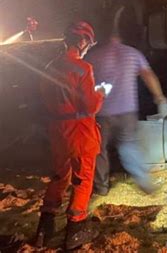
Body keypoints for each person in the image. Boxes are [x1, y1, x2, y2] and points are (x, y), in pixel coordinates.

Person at [35, 21, 105, 250]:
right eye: (88, 43)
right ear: (83, 41)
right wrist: (101, 93)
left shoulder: (49, 67)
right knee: (82, 179)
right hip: (81, 133)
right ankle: (75, 229)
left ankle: (44, 227)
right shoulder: (83, 69)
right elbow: (91, 105)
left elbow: (45, 101)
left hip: (57, 133)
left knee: (59, 177)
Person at [86, 29, 167, 196]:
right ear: (119, 37)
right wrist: (160, 98)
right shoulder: (132, 54)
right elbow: (148, 75)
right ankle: (143, 180)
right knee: (128, 145)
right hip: (127, 111)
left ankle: (101, 187)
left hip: (101, 112)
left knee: (99, 151)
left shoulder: (94, 56)